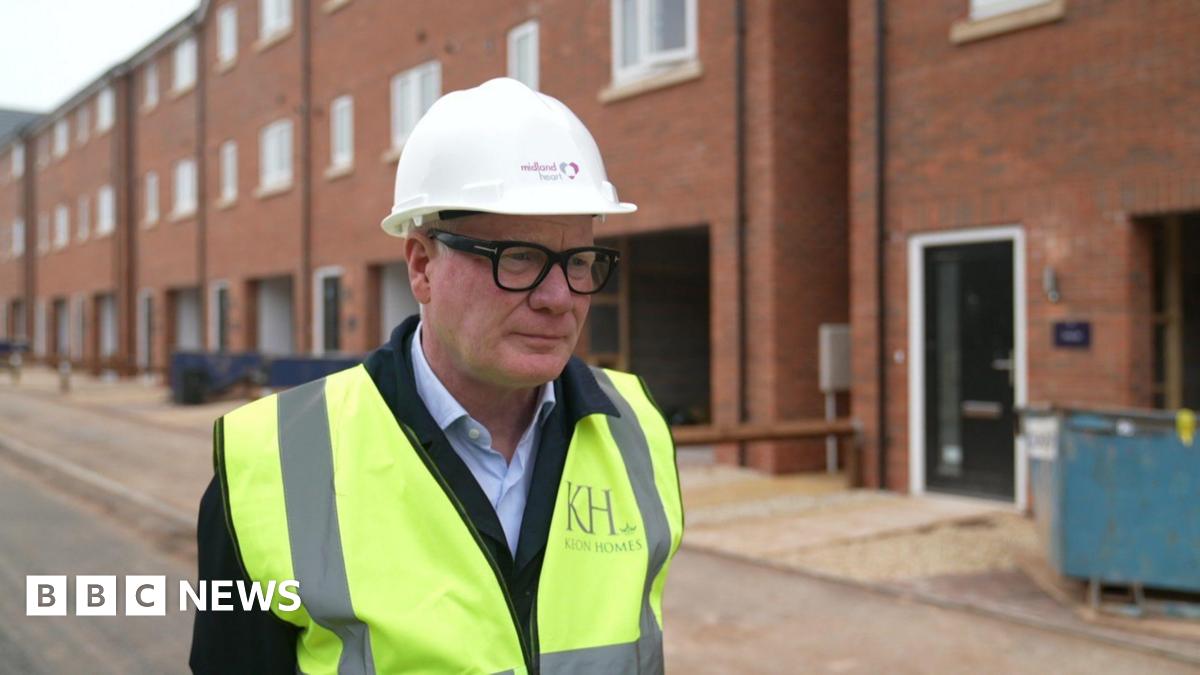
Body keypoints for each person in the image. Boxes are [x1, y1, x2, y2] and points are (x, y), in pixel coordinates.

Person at [189, 77, 684, 674]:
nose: (561, 297)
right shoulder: (270, 461)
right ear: (422, 265)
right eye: (519, 257)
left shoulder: (636, 426)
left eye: (579, 260)